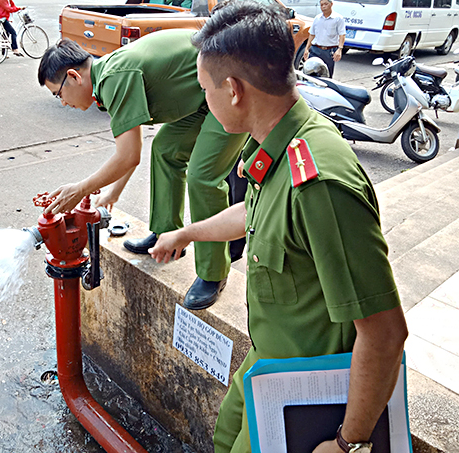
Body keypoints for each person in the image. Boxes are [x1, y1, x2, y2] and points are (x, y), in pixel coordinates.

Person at [149, 1, 408, 452]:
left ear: (232, 89)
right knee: (224, 437)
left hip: (310, 393)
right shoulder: (276, 146)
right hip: (267, 364)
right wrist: (187, 233)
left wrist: (349, 443)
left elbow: (385, 332)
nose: (202, 99)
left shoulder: (319, 183)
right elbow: (255, 213)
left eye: (203, 87)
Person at [37, 33, 249, 310]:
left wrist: (81, 189)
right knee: (165, 149)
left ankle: (213, 273)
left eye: (59, 94)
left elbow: (127, 155)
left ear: (74, 76)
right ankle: (166, 234)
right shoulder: (106, 77)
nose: (63, 102)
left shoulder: (114, 77)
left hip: (230, 90)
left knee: (203, 176)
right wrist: (114, 192)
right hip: (200, 99)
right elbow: (131, 150)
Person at [303, 0, 346, 78]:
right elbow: (312, 34)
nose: (323, 7)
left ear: (331, 4)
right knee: (310, 74)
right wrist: (307, 49)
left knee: (327, 76)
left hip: (329, 51)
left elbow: (342, 35)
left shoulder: (338, 19)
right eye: (321, 5)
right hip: (315, 50)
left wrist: (340, 49)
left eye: (326, 4)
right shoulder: (317, 18)